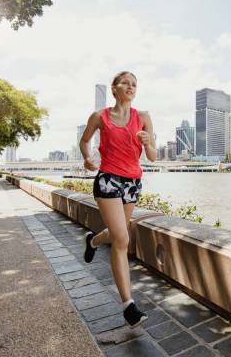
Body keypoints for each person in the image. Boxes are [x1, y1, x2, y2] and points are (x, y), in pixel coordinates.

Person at [79, 71, 156, 328]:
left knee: (116, 233)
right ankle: (128, 306)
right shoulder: (99, 116)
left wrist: (148, 143)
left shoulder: (143, 118)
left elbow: (153, 156)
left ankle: (93, 239)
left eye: (135, 84)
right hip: (108, 179)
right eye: (126, 83)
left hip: (133, 182)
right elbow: (85, 140)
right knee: (122, 238)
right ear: (114, 89)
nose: (131, 87)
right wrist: (88, 158)